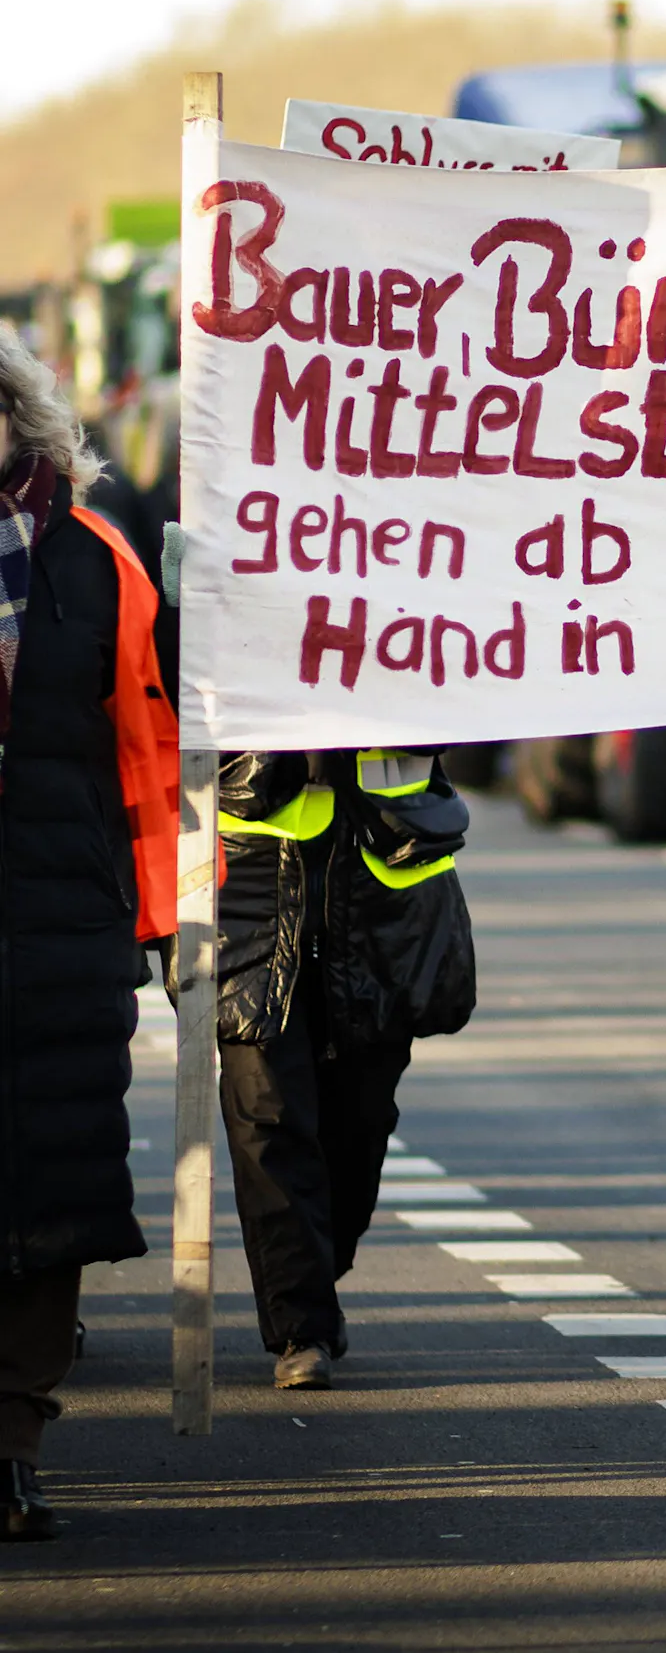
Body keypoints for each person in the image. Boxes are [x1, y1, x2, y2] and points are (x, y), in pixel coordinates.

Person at [0, 327, 177, 1541]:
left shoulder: (97, 558)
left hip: (60, 923)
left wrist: (165, 915)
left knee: (46, 1187)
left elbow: (149, 751)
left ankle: (13, 1438)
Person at [216, 747, 476, 1387]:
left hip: (384, 884)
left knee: (358, 1123)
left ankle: (312, 1275)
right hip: (250, 881)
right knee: (267, 1113)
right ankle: (301, 1329)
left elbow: (466, 686)